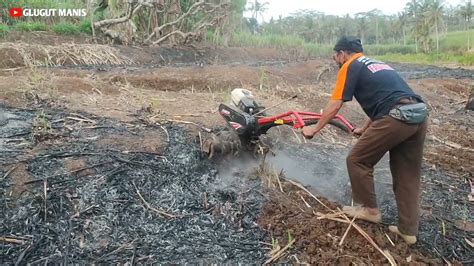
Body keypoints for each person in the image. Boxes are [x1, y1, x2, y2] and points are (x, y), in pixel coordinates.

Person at [302, 36, 428, 245]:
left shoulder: (350, 66)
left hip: (397, 117)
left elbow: (335, 104)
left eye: (335, 56)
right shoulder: (378, 64)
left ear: (342, 54)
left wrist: (314, 128)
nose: (335, 60)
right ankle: (408, 231)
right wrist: (365, 127)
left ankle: (370, 210)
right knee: (407, 174)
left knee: (357, 160)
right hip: (418, 114)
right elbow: (388, 96)